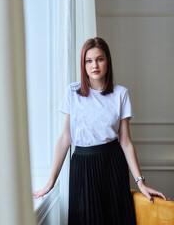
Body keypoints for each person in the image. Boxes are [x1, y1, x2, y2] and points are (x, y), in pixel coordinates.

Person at [33, 37, 169, 225]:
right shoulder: (72, 92)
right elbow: (65, 138)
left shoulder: (121, 93)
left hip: (112, 164)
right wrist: (50, 182)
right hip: (82, 166)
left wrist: (140, 182)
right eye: (88, 60)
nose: (94, 65)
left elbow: (125, 141)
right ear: (83, 64)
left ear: (108, 61)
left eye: (99, 59)